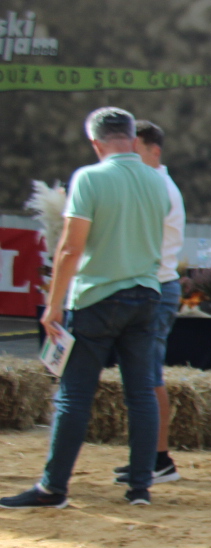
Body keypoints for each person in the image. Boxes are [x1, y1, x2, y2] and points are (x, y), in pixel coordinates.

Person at [2, 107, 169, 509]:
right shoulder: (157, 182)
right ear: (132, 138)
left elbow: (71, 247)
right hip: (146, 293)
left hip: (96, 296)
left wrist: (53, 304)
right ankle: (139, 487)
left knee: (73, 396)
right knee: (141, 393)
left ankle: (53, 487)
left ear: (96, 143)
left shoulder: (90, 178)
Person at [113, 120, 185, 486]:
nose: (128, 156)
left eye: (135, 149)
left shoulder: (159, 189)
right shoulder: (152, 185)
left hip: (156, 288)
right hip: (153, 287)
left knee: (150, 377)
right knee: (143, 377)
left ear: (154, 151)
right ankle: (149, 457)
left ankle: (159, 459)